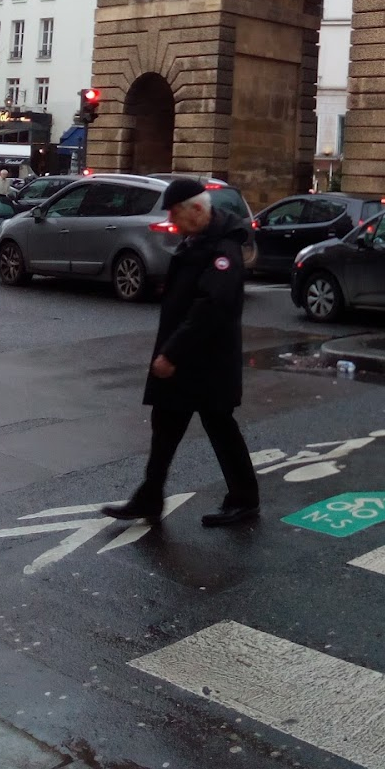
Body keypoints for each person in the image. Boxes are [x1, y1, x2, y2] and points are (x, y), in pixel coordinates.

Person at [103, 177, 260, 528]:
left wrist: (170, 353)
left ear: (198, 209)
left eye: (176, 214)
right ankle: (149, 497)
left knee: (221, 428)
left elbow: (211, 307)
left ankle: (244, 499)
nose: (173, 222)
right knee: (166, 427)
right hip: (187, 360)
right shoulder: (199, 239)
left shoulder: (223, 250)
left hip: (206, 361)